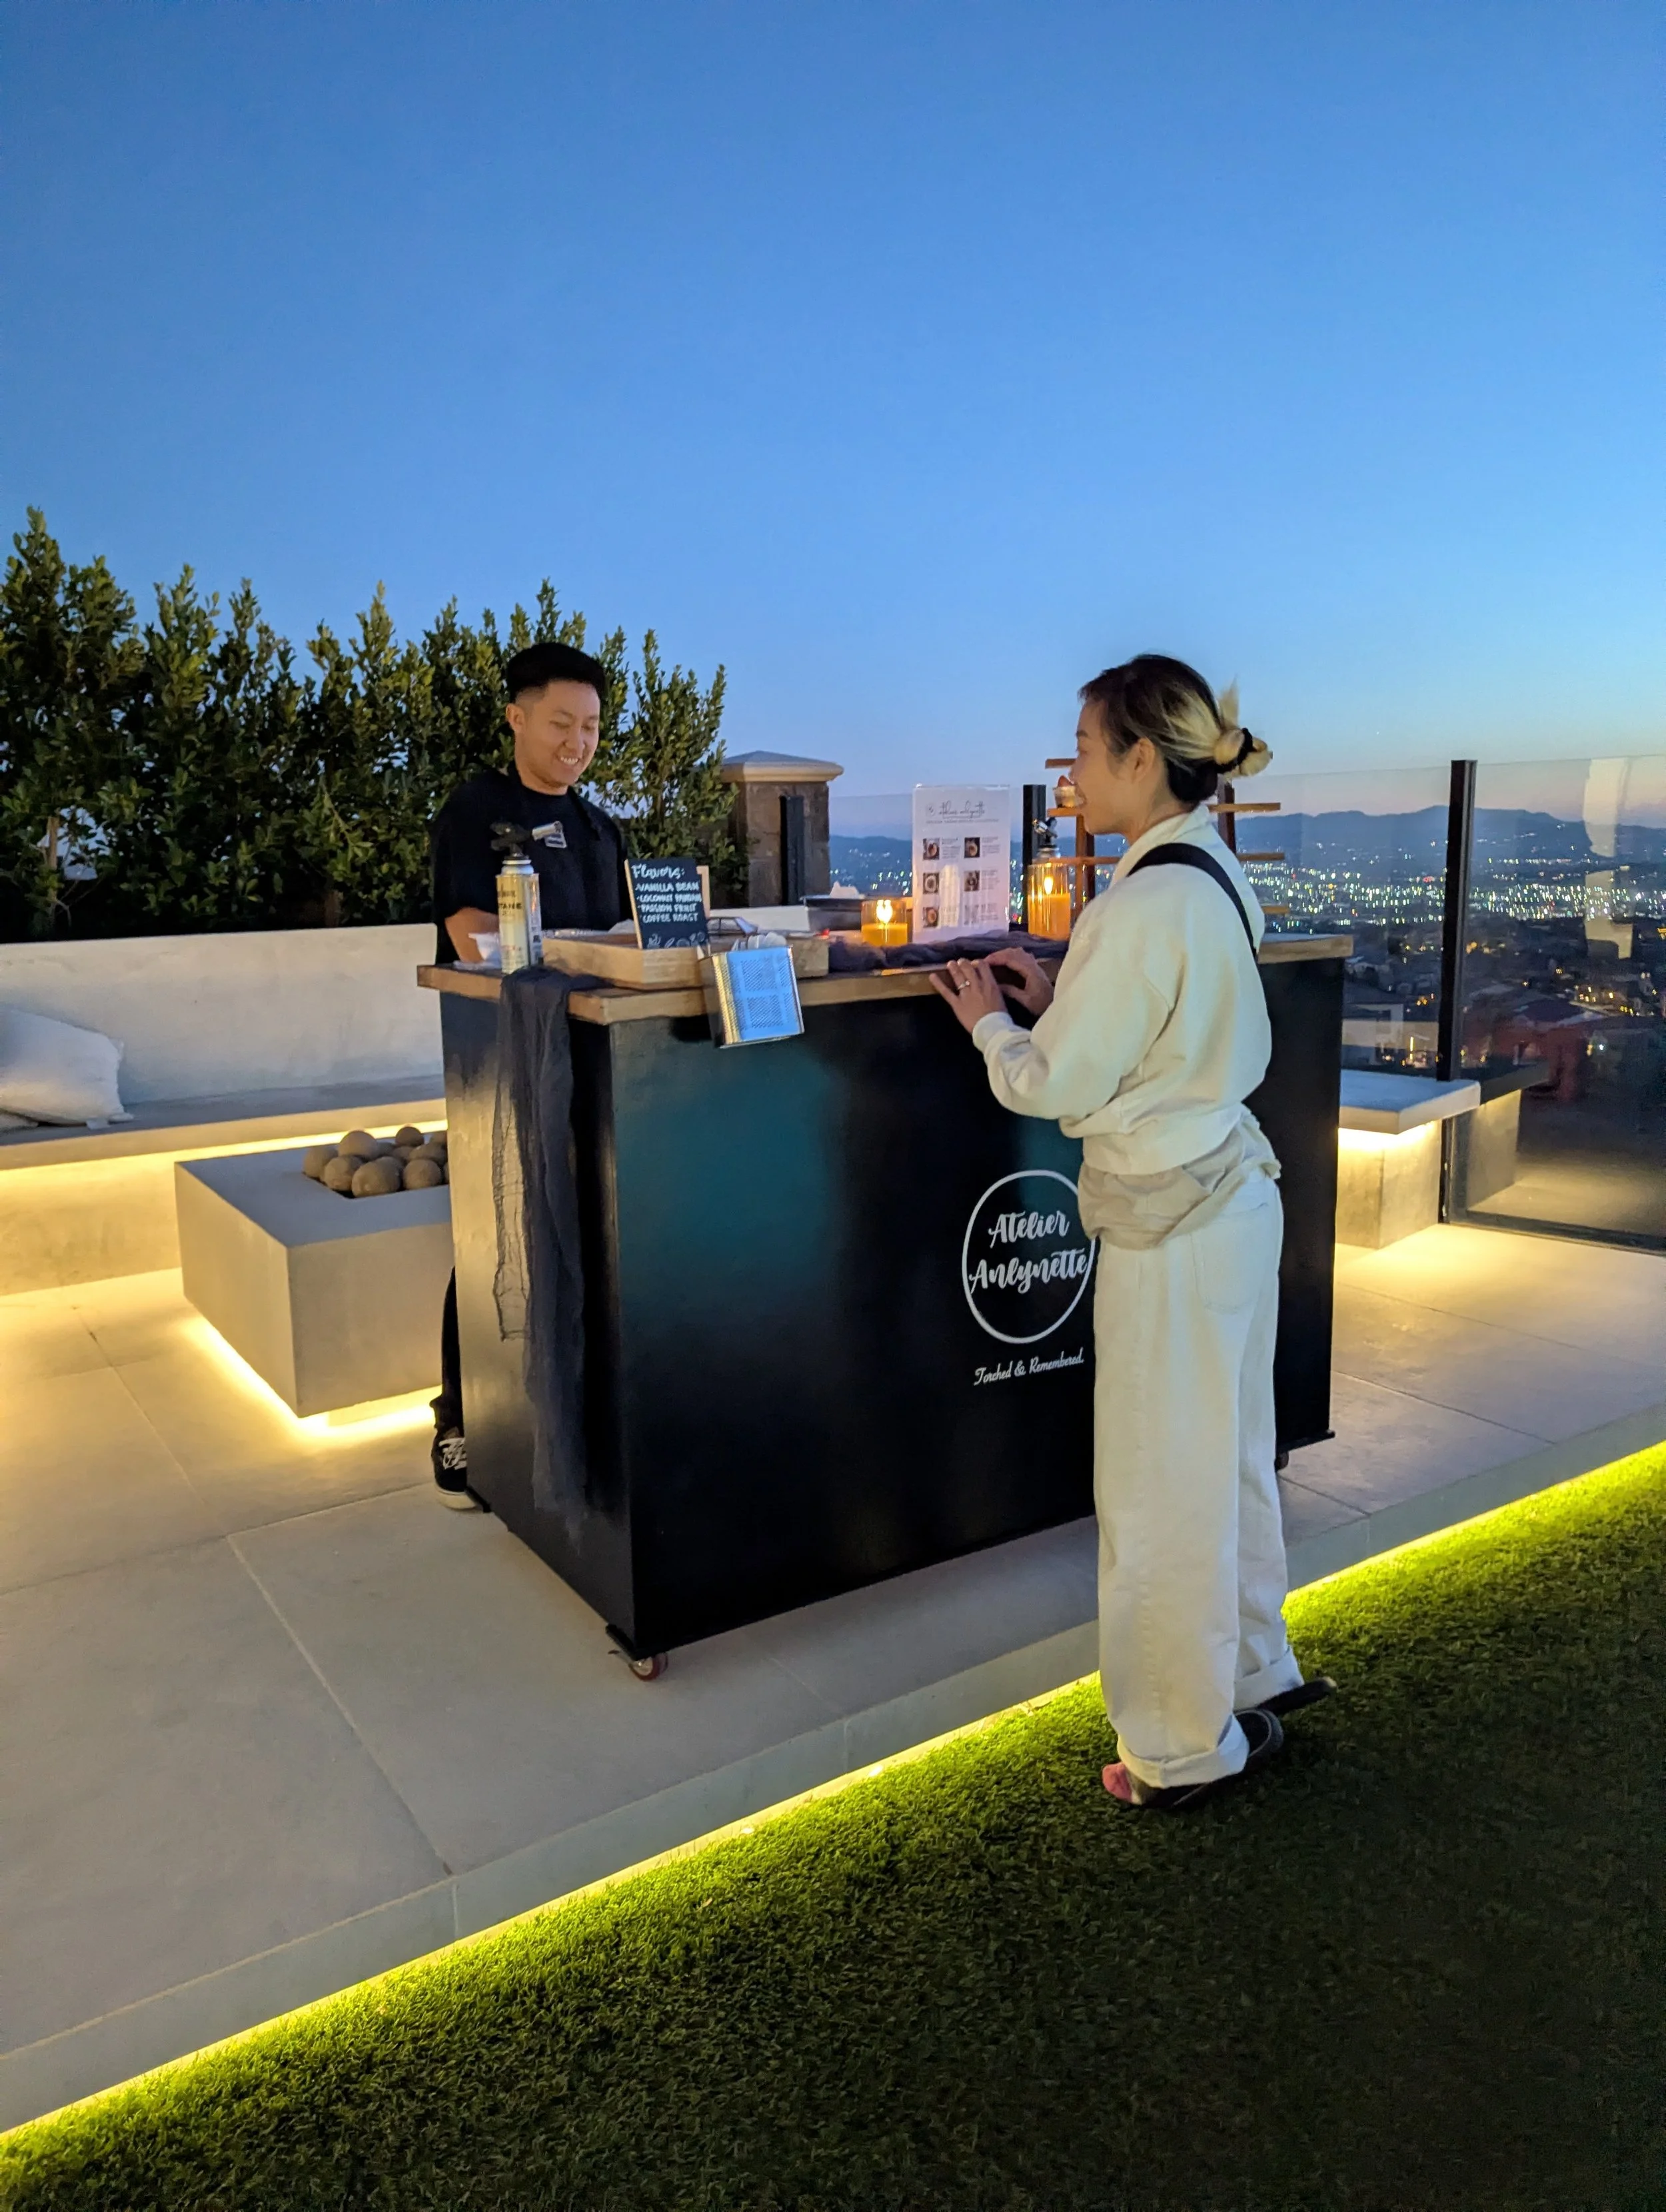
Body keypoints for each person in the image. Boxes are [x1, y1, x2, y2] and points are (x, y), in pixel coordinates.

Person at [932, 655, 1333, 1810]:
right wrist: (1068, 995)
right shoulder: (1211, 871)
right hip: (1233, 1194)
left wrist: (992, 1024)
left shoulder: (1136, 905)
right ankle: (1252, 1670)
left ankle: (1178, 1747)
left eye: (1084, 749)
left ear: (1141, 757)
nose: (1073, 772)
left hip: (1169, 1221)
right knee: (1231, 1454)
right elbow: (1161, 1028)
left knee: (1160, 1487)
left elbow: (1054, 1085)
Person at [426, 639, 629, 1506]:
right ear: (516, 717)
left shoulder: (602, 830)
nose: (577, 743)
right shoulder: (476, 812)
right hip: (505, 1057)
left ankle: (583, 1423)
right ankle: (459, 1417)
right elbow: (473, 935)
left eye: (591, 727)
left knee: (589, 1237)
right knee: (494, 1230)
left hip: (600, 1066)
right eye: (560, 724)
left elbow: (627, 945)